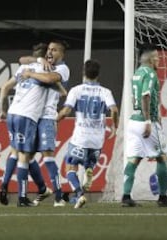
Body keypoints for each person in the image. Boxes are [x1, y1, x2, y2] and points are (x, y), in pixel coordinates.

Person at [122, 43, 167, 207]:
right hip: (146, 122)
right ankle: (163, 197)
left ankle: (126, 197)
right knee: (162, 158)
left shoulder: (137, 73)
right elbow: (145, 96)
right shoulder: (150, 73)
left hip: (134, 122)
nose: (159, 60)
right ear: (149, 58)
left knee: (133, 159)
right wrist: (149, 120)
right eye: (157, 57)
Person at [57, 59, 118, 208]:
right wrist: (115, 126)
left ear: (84, 72)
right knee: (88, 163)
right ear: (98, 74)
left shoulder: (76, 90)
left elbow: (66, 111)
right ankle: (89, 168)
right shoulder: (105, 92)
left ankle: (79, 194)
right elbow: (114, 110)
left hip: (81, 137)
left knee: (70, 167)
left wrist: (54, 120)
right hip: (97, 139)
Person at [0, 43, 53, 206]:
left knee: (16, 151)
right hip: (27, 116)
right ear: (46, 56)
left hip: (12, 113)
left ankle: (5, 184)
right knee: (25, 155)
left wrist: (2, 109)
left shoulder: (23, 68)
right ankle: (22, 197)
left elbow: (5, 86)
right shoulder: (46, 70)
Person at [19, 39, 70, 207]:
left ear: (61, 54)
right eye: (49, 49)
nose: (50, 52)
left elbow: (49, 79)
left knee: (48, 156)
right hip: (32, 115)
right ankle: (41, 190)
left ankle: (58, 196)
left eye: (54, 50)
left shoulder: (63, 69)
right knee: (27, 156)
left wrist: (31, 73)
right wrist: (38, 60)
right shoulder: (42, 63)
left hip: (47, 117)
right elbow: (22, 60)